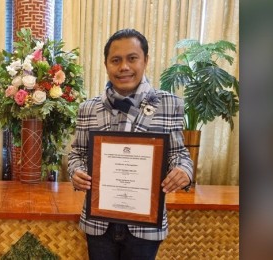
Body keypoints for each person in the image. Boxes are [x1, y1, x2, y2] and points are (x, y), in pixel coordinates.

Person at [68, 28, 193, 260]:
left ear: (145, 60)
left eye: (132, 58)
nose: (124, 67)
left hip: (145, 226)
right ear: (106, 64)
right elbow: (77, 152)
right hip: (99, 224)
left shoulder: (169, 104)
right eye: (116, 60)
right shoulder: (88, 108)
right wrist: (75, 171)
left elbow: (179, 153)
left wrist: (184, 170)